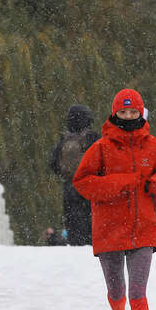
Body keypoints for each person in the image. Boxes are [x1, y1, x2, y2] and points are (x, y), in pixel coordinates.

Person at [72, 89, 156, 310]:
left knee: (137, 293)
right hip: (109, 232)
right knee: (117, 293)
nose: (128, 116)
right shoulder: (101, 148)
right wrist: (120, 184)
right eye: (123, 112)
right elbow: (82, 181)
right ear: (114, 114)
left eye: (133, 112)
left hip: (143, 230)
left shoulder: (153, 146)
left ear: (141, 113)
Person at [49, 104, 100, 245]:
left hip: (69, 187)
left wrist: (66, 175)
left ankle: (75, 245)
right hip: (90, 185)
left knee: (72, 220)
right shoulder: (93, 138)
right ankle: (91, 245)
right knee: (91, 220)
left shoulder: (64, 139)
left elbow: (53, 163)